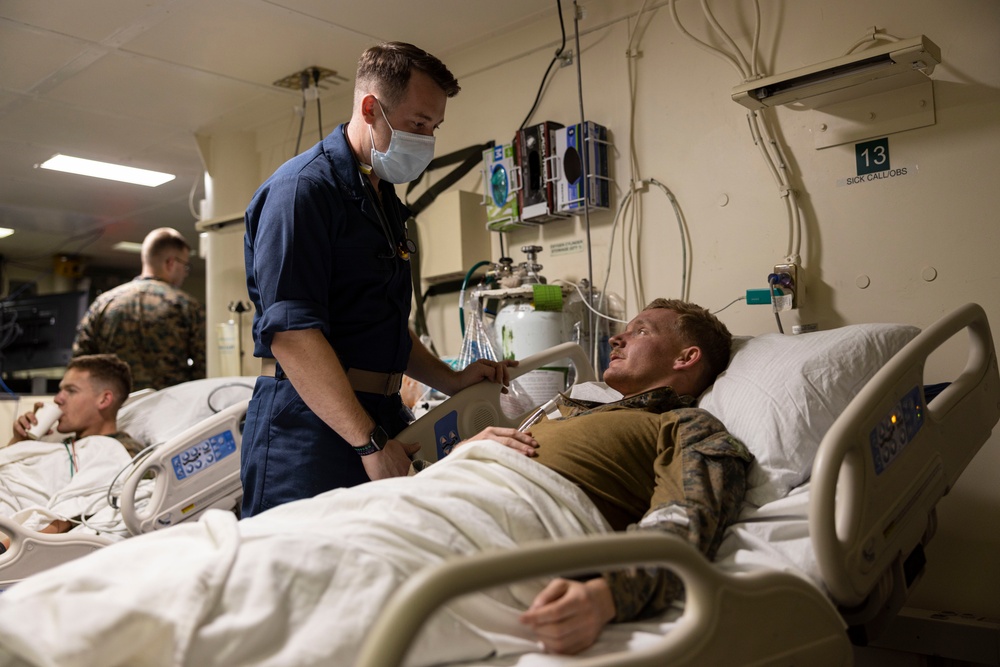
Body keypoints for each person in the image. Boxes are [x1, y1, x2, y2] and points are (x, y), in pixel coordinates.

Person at [0, 299, 753, 666]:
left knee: (275, 576)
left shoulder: (686, 428)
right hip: (435, 492)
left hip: (512, 520)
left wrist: (609, 592)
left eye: (644, 328)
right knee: (220, 544)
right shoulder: (567, 406)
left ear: (687, 361)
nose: (618, 333)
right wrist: (466, 453)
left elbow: (687, 520)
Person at [242, 41, 515, 517]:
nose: (427, 139)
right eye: (417, 123)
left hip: (378, 413)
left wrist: (451, 381)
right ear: (371, 108)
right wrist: (368, 443)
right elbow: (292, 334)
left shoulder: (382, 199)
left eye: (434, 127)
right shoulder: (303, 191)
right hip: (311, 428)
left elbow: (381, 323)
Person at [1, 354, 138, 549]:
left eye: (70, 391)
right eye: (59, 390)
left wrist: (8, 547)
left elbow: (80, 504)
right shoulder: (57, 442)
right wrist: (20, 443)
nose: (57, 399)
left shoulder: (122, 452)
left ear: (104, 399)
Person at [73, 227, 206, 391]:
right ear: (171, 263)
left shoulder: (103, 304)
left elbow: (80, 365)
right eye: (185, 266)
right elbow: (203, 366)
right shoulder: (187, 306)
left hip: (116, 408)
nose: (185, 273)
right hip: (171, 408)